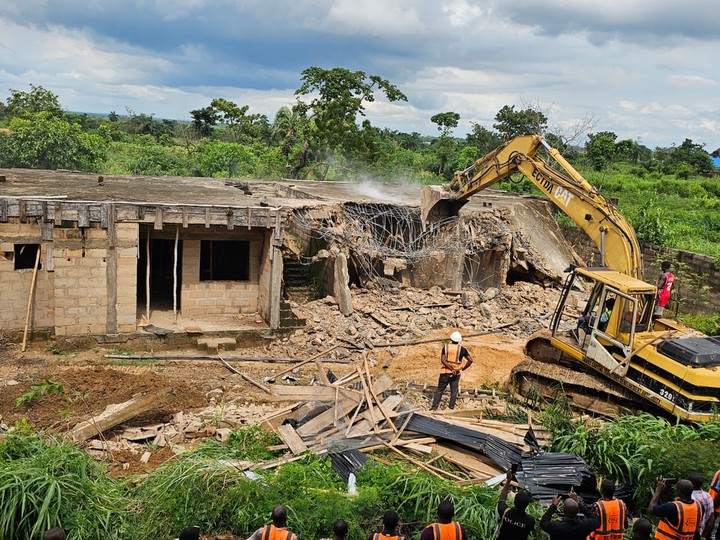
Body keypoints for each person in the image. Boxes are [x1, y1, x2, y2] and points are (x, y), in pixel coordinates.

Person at [429, 331, 473, 410]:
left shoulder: (446, 347)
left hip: (445, 372)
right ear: (459, 340)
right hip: (456, 373)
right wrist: (463, 368)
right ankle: (450, 408)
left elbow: (443, 360)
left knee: (439, 390)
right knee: (454, 392)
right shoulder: (462, 349)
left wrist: (450, 368)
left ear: (451, 339)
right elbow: (470, 360)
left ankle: (434, 408)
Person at [497, 468, 535, 540]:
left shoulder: (505, 512)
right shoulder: (530, 521)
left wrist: (508, 481)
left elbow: (502, 499)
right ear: (527, 505)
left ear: (514, 502)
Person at [689, 472, 714, 537]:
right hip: (702, 533)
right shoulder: (708, 496)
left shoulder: (690, 498)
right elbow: (711, 519)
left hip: (691, 534)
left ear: (689, 483)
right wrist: (703, 536)